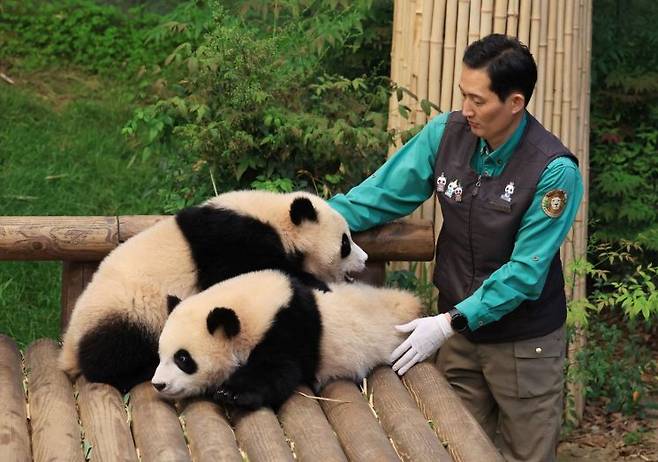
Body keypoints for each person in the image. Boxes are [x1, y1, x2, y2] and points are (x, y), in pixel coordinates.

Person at [328, 34, 584, 462]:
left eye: (478, 100)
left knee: (527, 454)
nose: (466, 109)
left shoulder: (553, 171)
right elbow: (379, 195)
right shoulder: (447, 134)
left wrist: (448, 323)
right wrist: (313, 221)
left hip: (522, 344)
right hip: (458, 333)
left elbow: (524, 272)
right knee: (456, 449)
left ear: (515, 102)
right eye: (463, 95)